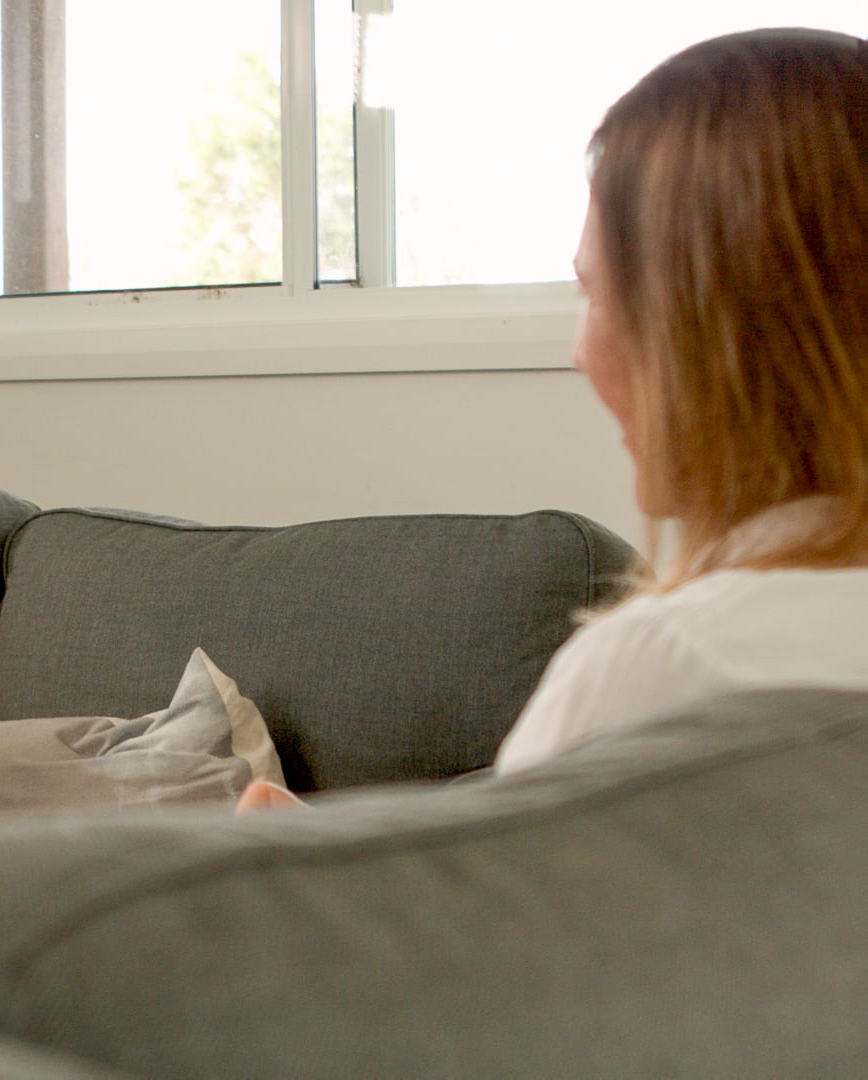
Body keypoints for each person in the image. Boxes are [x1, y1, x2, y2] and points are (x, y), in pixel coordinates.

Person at [244, 26, 868, 809]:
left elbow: (510, 893)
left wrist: (289, 868)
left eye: (601, 294)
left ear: (722, 331)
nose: (581, 352)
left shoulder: (664, 668)